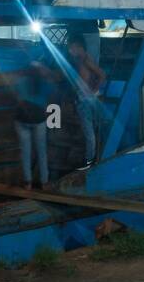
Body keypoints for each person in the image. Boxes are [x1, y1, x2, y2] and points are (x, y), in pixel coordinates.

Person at [10, 53, 61, 188]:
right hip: (39, 119)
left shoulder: (21, 80)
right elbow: (54, 97)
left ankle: (28, 182)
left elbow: (16, 96)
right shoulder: (46, 83)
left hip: (21, 118)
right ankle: (44, 182)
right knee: (42, 150)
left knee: (25, 151)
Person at [67, 38, 107, 167]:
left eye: (72, 48)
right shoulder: (81, 60)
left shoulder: (86, 60)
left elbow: (102, 74)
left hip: (87, 101)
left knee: (90, 134)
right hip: (84, 100)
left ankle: (90, 162)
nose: (70, 51)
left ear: (79, 47)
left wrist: (93, 91)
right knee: (90, 133)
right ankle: (91, 160)